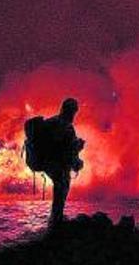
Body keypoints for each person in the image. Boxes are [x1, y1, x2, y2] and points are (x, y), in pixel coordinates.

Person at [42, 97, 85, 226]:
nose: (74, 115)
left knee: (59, 190)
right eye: (74, 112)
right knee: (61, 191)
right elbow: (68, 149)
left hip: (48, 164)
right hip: (58, 165)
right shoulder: (67, 127)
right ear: (71, 111)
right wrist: (79, 147)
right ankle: (56, 220)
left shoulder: (52, 121)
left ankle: (55, 219)